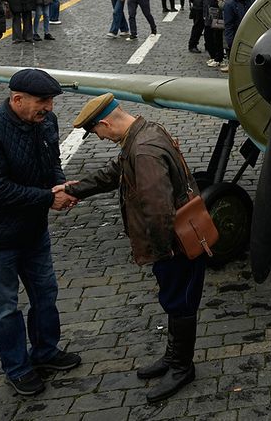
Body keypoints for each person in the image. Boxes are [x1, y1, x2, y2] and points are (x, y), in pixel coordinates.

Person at [63, 95, 208, 403]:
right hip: (176, 241)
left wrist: (161, 251)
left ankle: (182, 367)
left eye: (96, 132)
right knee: (173, 301)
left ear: (104, 123)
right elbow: (115, 173)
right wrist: (74, 190)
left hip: (175, 244)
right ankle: (173, 358)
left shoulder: (142, 150)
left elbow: (158, 209)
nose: (99, 138)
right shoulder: (145, 132)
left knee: (180, 302)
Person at [0, 69, 81, 396]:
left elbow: (51, 161)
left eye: (51, 102)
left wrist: (58, 182)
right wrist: (47, 198)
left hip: (32, 232)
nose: (50, 109)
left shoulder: (46, 122)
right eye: (43, 102)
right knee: (4, 309)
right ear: (17, 99)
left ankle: (45, 351)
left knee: (46, 294)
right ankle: (17, 367)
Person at [220, 0, 256, 72]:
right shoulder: (230, 4)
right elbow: (228, 25)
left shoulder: (251, 1)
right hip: (237, 37)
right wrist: (231, 43)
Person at [201, 0, 230, 68]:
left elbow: (223, 1)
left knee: (217, 38)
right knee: (208, 37)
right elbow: (205, 0)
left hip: (217, 16)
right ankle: (214, 56)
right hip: (208, 15)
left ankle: (219, 58)